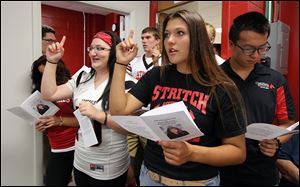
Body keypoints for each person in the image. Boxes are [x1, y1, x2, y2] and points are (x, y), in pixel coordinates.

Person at [109, 10, 248, 186]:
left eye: (180, 33)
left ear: (198, 39)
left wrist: (191, 152)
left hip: (197, 181)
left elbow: (237, 152)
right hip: (150, 176)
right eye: (167, 34)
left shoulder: (222, 87)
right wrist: (120, 63)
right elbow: (118, 110)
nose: (170, 40)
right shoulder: (157, 75)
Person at [41, 31, 135, 186]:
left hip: (109, 165)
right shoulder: (82, 76)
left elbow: (130, 127)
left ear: (114, 52)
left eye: (100, 48)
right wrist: (52, 61)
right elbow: (49, 93)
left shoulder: (127, 82)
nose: (93, 53)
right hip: (81, 160)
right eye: (91, 48)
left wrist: (99, 115)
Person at [220, 11, 296, 186]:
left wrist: (276, 142)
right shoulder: (215, 78)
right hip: (221, 169)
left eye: (262, 48)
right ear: (231, 44)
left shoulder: (275, 80)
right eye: (248, 49)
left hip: (262, 171)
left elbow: (288, 123)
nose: (256, 55)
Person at [31, 55, 79, 186]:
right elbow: (46, 121)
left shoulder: (70, 87)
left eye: (49, 73)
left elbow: (86, 121)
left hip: (78, 145)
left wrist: (59, 120)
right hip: (57, 147)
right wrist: (42, 127)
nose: (47, 78)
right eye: (42, 75)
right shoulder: (39, 95)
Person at [126, 26, 161, 186]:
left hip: (153, 118)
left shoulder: (165, 62)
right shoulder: (134, 62)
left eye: (148, 37)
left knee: (152, 156)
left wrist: (158, 61)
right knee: (129, 156)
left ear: (158, 40)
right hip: (134, 114)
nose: (144, 41)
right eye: (143, 38)